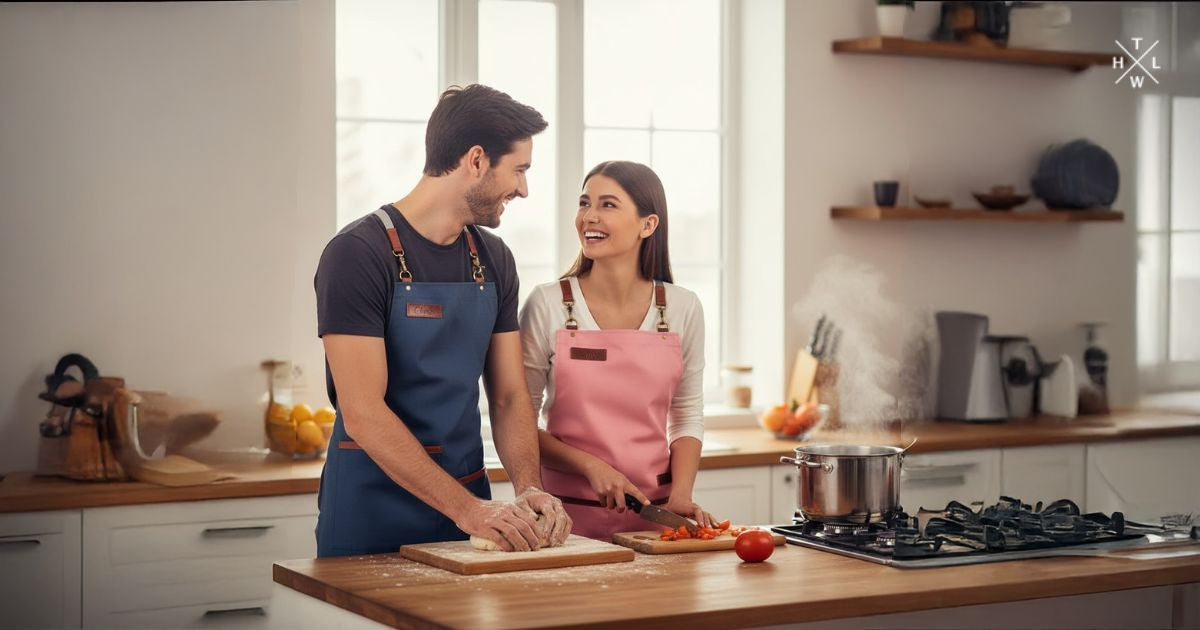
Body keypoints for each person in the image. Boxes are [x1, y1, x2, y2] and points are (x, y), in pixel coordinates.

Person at [314, 84, 571, 557]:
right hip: (371, 508)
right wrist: (470, 510)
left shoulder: (494, 258)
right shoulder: (356, 255)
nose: (523, 189)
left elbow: (511, 395)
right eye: (519, 170)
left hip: (470, 503)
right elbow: (364, 413)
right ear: (476, 160)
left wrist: (528, 486)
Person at [519, 160, 713, 539]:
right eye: (584, 203)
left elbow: (687, 412)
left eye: (607, 205)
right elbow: (519, 419)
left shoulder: (682, 307)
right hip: (566, 523)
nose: (589, 216)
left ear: (648, 224)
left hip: (655, 520)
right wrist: (591, 466)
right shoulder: (548, 304)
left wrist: (681, 495)